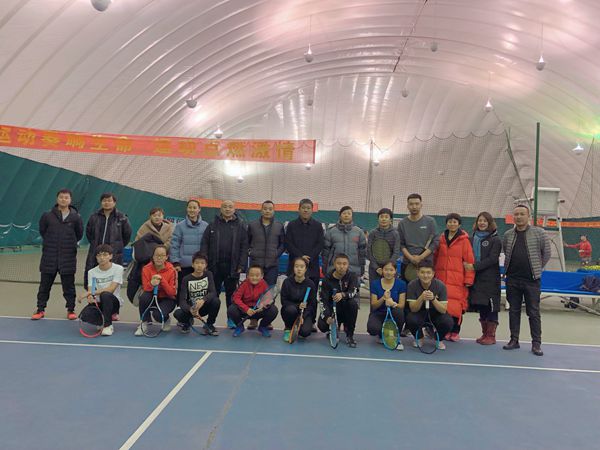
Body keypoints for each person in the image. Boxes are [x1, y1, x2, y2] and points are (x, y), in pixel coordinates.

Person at [502, 205, 551, 356]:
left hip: (532, 281)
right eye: (516, 214)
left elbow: (546, 253)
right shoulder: (508, 235)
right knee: (513, 311)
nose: (518, 217)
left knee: (533, 312)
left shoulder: (540, 233)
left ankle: (536, 344)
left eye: (522, 214)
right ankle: (514, 340)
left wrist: (536, 268)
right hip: (512, 279)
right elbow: (506, 252)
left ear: (528, 216)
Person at [32, 189, 84, 320]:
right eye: (61, 197)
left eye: (66, 197)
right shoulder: (47, 216)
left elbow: (79, 234)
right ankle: (40, 309)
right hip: (49, 257)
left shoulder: (76, 217)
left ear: (70, 200)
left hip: (68, 258)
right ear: (57, 199)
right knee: (44, 287)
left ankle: (71, 310)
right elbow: (43, 231)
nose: (63, 199)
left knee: (69, 287)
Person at [200, 200, 249, 328]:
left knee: (232, 296)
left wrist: (241, 265)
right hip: (214, 267)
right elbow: (204, 244)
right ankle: (210, 322)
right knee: (213, 296)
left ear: (234, 209)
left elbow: (244, 247)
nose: (227, 209)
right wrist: (205, 262)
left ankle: (231, 319)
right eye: (225, 207)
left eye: (230, 207)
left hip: (233, 268)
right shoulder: (212, 225)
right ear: (220, 209)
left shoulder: (241, 225)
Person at [433, 213, 475, 341]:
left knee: (456, 305)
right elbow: (435, 257)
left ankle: (455, 331)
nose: (452, 224)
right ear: (446, 224)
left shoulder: (464, 240)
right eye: (450, 222)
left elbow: (469, 260)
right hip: (441, 278)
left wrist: (469, 279)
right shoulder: (440, 239)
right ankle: (444, 330)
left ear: (459, 224)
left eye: (455, 222)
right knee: (442, 304)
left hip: (457, 279)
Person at [465, 212, 502, 345]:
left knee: (491, 306)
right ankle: (484, 334)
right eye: (480, 220)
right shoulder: (471, 238)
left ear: (490, 223)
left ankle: (491, 336)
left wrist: (474, 266)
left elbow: (492, 259)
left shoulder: (496, 240)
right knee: (482, 305)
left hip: (491, 279)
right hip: (477, 279)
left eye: (485, 221)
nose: (482, 223)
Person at [84, 192, 132, 290]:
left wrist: (117, 246)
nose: (107, 203)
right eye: (104, 200)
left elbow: (127, 235)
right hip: (95, 253)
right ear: (101, 202)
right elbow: (89, 233)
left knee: (111, 282)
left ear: (114, 202)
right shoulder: (94, 217)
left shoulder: (122, 218)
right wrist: (95, 245)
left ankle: (109, 297)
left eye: (109, 200)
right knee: (93, 280)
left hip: (114, 254)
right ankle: (93, 296)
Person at [405, 262, 453, 350]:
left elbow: (443, 310)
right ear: (417, 273)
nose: (425, 275)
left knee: (448, 321)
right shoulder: (412, 285)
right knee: (410, 318)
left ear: (433, 274)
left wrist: (433, 299)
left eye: (428, 272)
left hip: (436, 312)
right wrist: (421, 298)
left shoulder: (440, 285)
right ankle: (419, 338)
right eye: (422, 272)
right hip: (419, 312)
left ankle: (438, 339)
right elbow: (413, 309)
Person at [81, 244, 124, 336]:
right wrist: (90, 296)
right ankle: (101, 320)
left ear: (110, 256)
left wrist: (89, 293)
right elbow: (91, 289)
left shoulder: (118, 269)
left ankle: (108, 326)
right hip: (99, 303)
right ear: (96, 257)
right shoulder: (91, 272)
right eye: (99, 255)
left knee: (105, 294)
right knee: (86, 316)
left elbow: (111, 289)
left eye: (105, 255)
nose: (102, 257)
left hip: (113, 303)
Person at [318, 253, 360, 347]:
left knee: (353, 304)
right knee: (322, 326)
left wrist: (343, 294)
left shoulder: (352, 276)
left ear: (348, 265)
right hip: (333, 310)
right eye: (339, 263)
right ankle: (332, 329)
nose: (341, 266)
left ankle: (350, 335)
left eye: (344, 264)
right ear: (334, 264)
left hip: (346, 310)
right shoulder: (326, 279)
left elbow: (353, 292)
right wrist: (327, 317)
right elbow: (322, 301)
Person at [135, 245, 178, 336]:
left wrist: (162, 280)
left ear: (166, 257)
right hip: (152, 295)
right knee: (143, 297)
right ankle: (144, 323)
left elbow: (172, 292)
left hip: (167, 298)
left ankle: (166, 319)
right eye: (157, 255)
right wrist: (152, 283)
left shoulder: (172, 270)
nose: (159, 258)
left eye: (162, 255)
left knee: (157, 315)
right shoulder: (146, 269)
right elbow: (146, 288)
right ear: (153, 256)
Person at [285, 198, 324, 295]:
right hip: (294, 266)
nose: (305, 210)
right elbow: (288, 243)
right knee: (293, 296)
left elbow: (320, 244)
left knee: (311, 296)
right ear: (299, 209)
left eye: (308, 208)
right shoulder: (291, 225)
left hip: (312, 267)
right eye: (303, 208)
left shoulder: (318, 226)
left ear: (312, 210)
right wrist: (300, 257)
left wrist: (309, 257)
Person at [174, 252, 220, 336]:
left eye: (202, 263)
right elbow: (182, 300)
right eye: (197, 263)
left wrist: (203, 300)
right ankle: (187, 323)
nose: (199, 265)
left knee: (216, 301)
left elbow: (213, 292)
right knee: (177, 313)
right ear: (192, 265)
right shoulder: (186, 279)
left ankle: (209, 324)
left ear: (206, 265)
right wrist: (190, 309)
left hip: (204, 307)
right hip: (192, 309)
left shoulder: (209, 274)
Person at [228, 265, 278, 337]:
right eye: (251, 275)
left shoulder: (264, 284)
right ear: (247, 276)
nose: (254, 278)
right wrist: (246, 309)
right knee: (231, 309)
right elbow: (235, 298)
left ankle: (263, 326)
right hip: (246, 311)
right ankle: (240, 327)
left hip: (258, 310)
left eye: (257, 275)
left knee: (273, 310)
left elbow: (269, 298)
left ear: (262, 276)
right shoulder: (244, 284)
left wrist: (263, 305)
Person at [171, 199, 209, 294]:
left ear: (199, 209)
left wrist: (206, 263)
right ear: (187, 209)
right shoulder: (179, 226)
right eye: (190, 207)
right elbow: (174, 245)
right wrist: (176, 262)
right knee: (183, 292)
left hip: (200, 266)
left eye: (194, 208)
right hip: (183, 266)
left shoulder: (206, 226)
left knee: (198, 293)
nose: (192, 210)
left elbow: (208, 245)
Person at [397, 194, 438, 282]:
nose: (414, 206)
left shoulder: (430, 221)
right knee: (407, 289)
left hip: (426, 264)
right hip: (407, 263)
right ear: (407, 206)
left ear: (421, 205)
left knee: (425, 290)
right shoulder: (402, 223)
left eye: (417, 204)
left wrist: (421, 257)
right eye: (411, 204)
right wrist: (411, 258)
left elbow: (435, 242)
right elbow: (401, 244)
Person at [367, 260, 406, 349]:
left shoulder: (401, 284)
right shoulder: (375, 283)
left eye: (391, 270)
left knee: (399, 312)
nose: (388, 272)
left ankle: (396, 336)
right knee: (372, 328)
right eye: (386, 270)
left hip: (394, 313)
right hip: (379, 313)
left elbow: (401, 305)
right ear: (382, 270)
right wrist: (383, 298)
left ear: (395, 271)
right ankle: (382, 335)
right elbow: (374, 305)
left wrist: (393, 304)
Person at [322, 206, 366, 279]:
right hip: (334, 270)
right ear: (340, 216)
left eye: (349, 213)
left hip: (353, 270)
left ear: (352, 216)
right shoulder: (331, 232)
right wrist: (325, 267)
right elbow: (325, 252)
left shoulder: (359, 232)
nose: (346, 215)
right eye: (344, 213)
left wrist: (362, 268)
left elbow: (362, 253)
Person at [280, 257, 318, 342]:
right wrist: (298, 306)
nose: (299, 269)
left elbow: (312, 304)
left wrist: (303, 316)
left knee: (305, 332)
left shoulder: (310, 284)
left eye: (302, 267)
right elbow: (284, 301)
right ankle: (288, 328)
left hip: (304, 312)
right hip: (290, 310)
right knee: (290, 310)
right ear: (293, 268)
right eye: (296, 266)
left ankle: (298, 327)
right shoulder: (287, 282)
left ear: (306, 269)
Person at [367, 208, 400, 282]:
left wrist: (388, 267)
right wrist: (376, 267)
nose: (384, 219)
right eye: (381, 217)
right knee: (375, 288)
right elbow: (369, 251)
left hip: (390, 269)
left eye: (386, 217)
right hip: (374, 269)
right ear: (378, 219)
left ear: (390, 220)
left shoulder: (395, 234)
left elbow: (396, 251)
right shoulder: (373, 233)